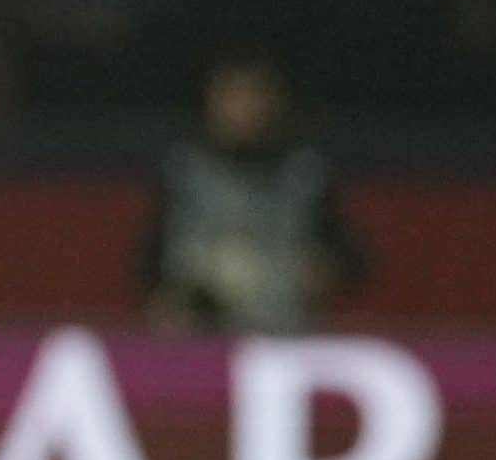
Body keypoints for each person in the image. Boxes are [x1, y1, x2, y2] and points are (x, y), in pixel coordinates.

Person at [138, 58, 366, 333]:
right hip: (200, 337)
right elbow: (149, 264)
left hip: (281, 331)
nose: (244, 110)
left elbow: (349, 258)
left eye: (254, 97)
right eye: (233, 97)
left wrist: (319, 271)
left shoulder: (304, 177)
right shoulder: (183, 173)